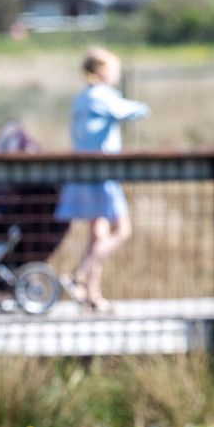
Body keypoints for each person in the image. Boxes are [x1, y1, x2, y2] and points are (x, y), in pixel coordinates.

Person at [55, 46, 149, 313]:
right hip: (102, 174)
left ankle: (92, 296)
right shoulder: (101, 97)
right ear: (100, 71)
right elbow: (124, 111)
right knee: (122, 230)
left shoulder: (81, 98)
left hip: (85, 172)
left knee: (99, 234)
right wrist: (143, 107)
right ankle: (77, 276)